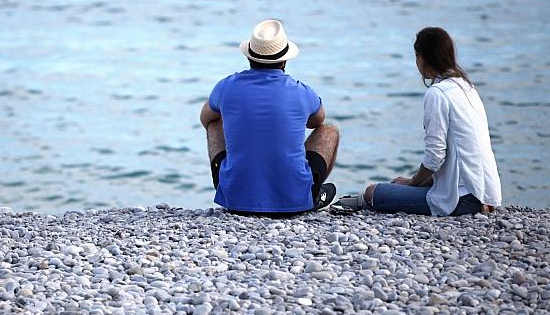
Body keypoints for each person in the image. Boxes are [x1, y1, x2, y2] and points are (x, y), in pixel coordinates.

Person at [333, 27, 501, 216]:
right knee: (400, 186)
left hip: (461, 199)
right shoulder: (467, 88)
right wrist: (416, 182)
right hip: (485, 193)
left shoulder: (437, 94)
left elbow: (435, 157)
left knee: (373, 192)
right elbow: (457, 156)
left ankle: (359, 202)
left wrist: (413, 182)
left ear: (421, 59)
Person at [200, 19, 339, 217]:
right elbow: (317, 122)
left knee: (215, 122)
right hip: (295, 203)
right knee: (329, 131)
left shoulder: (226, 86)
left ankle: (235, 184)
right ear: (284, 60)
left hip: (235, 201)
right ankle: (312, 194)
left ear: (249, 56)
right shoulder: (302, 91)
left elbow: (205, 119)